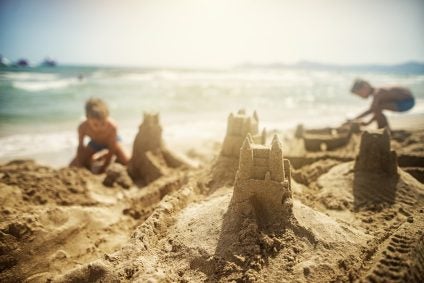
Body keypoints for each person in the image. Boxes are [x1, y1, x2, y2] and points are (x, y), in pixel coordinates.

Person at [70, 97, 129, 173]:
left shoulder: (112, 127)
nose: (100, 128)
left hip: (112, 143)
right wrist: (80, 164)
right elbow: (81, 147)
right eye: (95, 125)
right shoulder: (83, 127)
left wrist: (104, 167)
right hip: (95, 143)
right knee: (72, 166)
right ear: (87, 119)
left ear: (107, 117)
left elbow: (112, 148)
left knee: (127, 161)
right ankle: (101, 155)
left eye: (103, 123)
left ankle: (105, 155)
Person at [350, 79, 415, 129]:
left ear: (365, 86)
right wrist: (368, 122)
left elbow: (372, 109)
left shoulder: (377, 93)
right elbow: (376, 111)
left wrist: (355, 119)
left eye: (359, 94)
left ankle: (382, 129)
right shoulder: (378, 91)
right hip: (404, 100)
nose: (360, 97)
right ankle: (385, 129)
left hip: (406, 102)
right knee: (378, 107)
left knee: (377, 107)